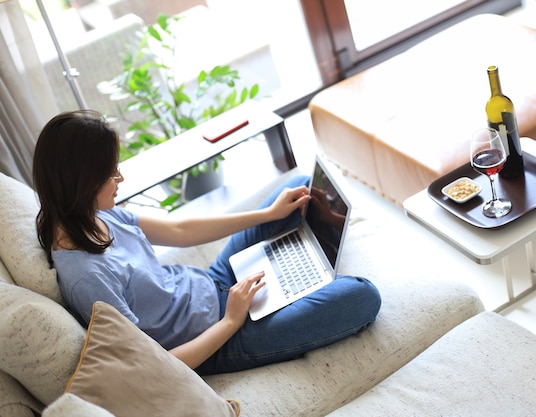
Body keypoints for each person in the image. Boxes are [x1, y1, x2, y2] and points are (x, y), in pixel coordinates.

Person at [32, 110, 381, 375]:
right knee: (362, 296)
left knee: (301, 190)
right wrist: (231, 320)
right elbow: (154, 366)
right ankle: (304, 272)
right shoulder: (86, 276)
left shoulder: (91, 214)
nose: (120, 177)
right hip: (220, 339)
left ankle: (311, 258)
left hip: (214, 282)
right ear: (81, 180)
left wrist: (268, 215)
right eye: (110, 172)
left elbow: (181, 230)